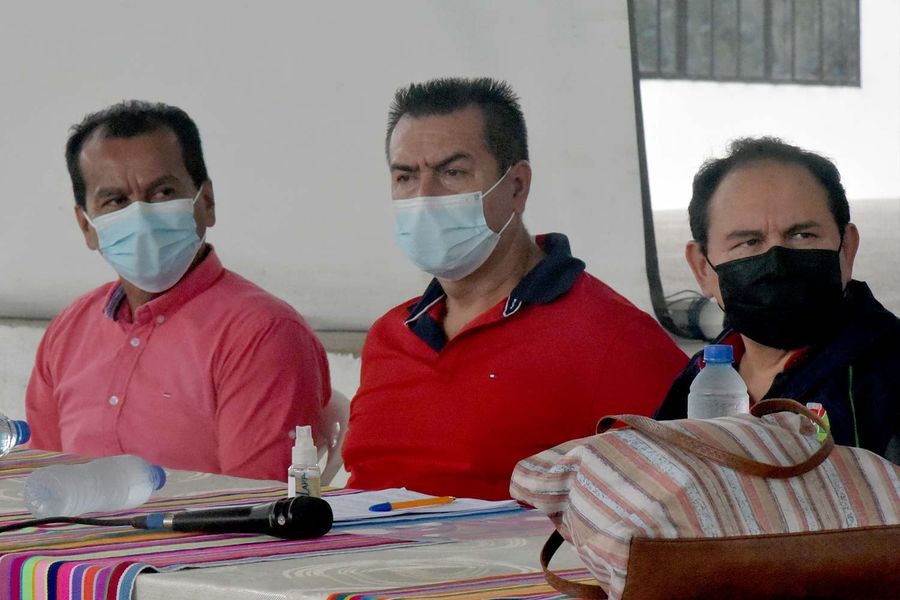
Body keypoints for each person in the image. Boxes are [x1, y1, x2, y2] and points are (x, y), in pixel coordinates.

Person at [342, 77, 688, 500]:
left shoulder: (615, 339)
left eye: (452, 173)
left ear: (517, 186)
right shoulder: (389, 336)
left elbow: (680, 504)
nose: (425, 196)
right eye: (405, 177)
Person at [26, 101, 331, 481]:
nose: (140, 215)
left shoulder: (262, 335)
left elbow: (256, 502)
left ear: (206, 202)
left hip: (214, 523)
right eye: (115, 201)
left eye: (162, 192)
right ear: (86, 226)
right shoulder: (68, 331)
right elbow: (40, 482)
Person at [655, 137, 900, 464]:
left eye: (802, 235)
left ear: (847, 249)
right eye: (748, 242)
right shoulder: (698, 377)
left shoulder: (888, 376)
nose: (776, 263)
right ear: (702, 268)